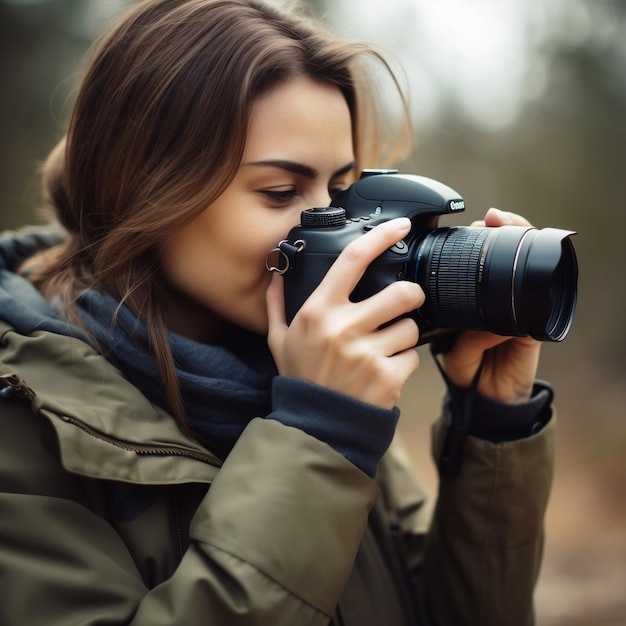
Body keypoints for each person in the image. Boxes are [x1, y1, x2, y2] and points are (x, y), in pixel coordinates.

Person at [0, 1, 555, 624]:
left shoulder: (320, 372)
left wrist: (492, 421)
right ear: (142, 190)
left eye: (342, 193)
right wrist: (318, 434)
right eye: (280, 192)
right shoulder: (22, 425)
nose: (335, 230)